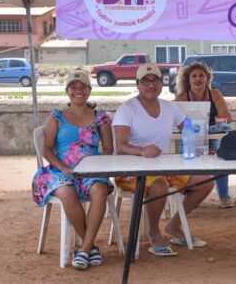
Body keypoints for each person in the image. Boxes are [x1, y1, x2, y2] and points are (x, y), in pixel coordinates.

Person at [113, 63, 214, 256]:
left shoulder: (170, 107)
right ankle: (153, 232)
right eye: (145, 81)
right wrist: (142, 151)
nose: (151, 85)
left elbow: (190, 128)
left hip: (163, 168)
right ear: (137, 84)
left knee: (206, 180)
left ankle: (174, 226)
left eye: (155, 80)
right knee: (158, 185)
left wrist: (198, 138)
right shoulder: (127, 109)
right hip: (130, 172)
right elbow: (121, 146)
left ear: (161, 83)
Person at [31, 71, 114, 270]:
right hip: (60, 171)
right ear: (67, 91)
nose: (79, 91)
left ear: (89, 90)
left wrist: (95, 168)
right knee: (67, 192)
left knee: (100, 190)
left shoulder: (101, 117)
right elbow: (47, 150)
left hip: (91, 171)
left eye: (83, 86)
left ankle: (83, 249)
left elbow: (109, 149)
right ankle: (90, 246)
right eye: (73, 87)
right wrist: (66, 169)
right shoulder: (56, 116)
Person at [175, 61, 233, 209]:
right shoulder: (181, 97)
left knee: (220, 155)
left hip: (212, 136)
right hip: (189, 137)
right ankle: (188, 192)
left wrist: (210, 127)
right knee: (185, 157)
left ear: (207, 78)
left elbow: (226, 117)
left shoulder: (215, 94)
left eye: (201, 75)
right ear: (188, 80)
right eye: (194, 76)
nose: (198, 79)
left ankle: (224, 195)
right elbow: (174, 121)